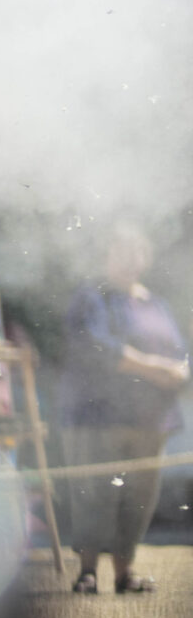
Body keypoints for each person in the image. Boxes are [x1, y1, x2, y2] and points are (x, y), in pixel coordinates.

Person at [60, 224, 187, 595]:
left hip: (151, 420)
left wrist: (179, 370)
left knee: (139, 498)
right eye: (121, 251)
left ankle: (124, 574)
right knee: (95, 494)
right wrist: (155, 368)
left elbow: (179, 353)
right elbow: (98, 347)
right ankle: (87, 573)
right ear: (107, 255)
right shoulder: (91, 296)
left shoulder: (155, 303)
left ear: (145, 257)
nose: (130, 260)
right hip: (98, 416)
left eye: (137, 252)